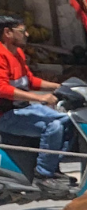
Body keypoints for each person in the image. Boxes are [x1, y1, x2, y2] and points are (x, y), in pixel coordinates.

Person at [0, 15, 72, 187]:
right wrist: (39, 98)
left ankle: (52, 167)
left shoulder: (18, 53)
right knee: (53, 126)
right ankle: (43, 174)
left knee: (70, 121)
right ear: (7, 33)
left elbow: (30, 80)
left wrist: (58, 87)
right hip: (6, 115)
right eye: (22, 31)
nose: (27, 35)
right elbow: (3, 88)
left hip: (24, 109)